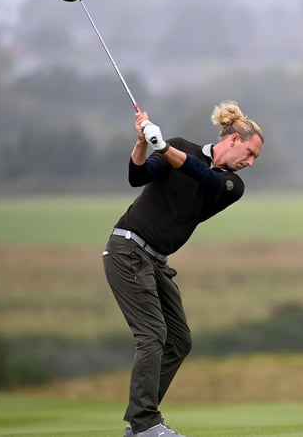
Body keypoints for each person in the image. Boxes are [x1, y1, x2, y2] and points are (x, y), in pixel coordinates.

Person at [102, 101, 264, 437]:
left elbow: (201, 174)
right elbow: (137, 176)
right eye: (249, 154)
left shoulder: (232, 185)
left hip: (156, 261)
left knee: (179, 339)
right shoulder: (179, 145)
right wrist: (143, 142)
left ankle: (138, 423)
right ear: (233, 140)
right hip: (128, 249)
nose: (249, 163)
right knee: (152, 334)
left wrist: (163, 147)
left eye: (254, 160)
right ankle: (146, 424)